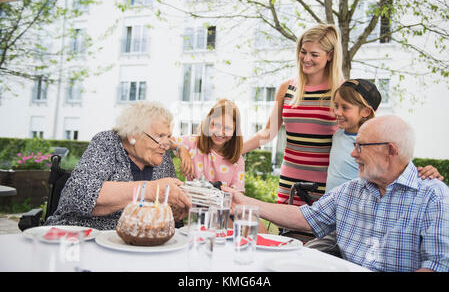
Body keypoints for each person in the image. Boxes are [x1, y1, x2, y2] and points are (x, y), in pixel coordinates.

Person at [223, 115, 449, 272]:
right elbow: (305, 218)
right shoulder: (352, 190)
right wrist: (243, 201)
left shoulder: (433, 197)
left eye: (360, 146)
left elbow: (437, 265)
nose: (353, 153)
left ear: (390, 150)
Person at [305, 79, 443, 255]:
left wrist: (428, 171)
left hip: (358, 220)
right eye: (336, 106)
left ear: (365, 111)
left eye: (344, 107)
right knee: (308, 253)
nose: (337, 112)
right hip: (335, 213)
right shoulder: (338, 134)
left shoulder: (375, 143)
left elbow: (400, 165)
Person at [45, 101, 192, 230]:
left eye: (168, 136)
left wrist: (175, 209)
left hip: (139, 242)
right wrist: (150, 190)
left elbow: (165, 211)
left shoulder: (162, 157)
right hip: (81, 235)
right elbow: (78, 195)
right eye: (160, 136)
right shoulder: (108, 143)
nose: (166, 144)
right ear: (133, 135)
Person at [242, 24, 344, 208]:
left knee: (316, 237)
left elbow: (360, 135)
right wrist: (233, 152)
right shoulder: (286, 88)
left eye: (314, 54)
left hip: (326, 186)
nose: (306, 59)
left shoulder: (341, 91)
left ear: (330, 56)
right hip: (289, 182)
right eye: (303, 52)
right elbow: (268, 132)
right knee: (286, 236)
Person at [173, 99, 245, 191]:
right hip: (191, 204)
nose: (219, 132)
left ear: (235, 131)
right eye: (215, 125)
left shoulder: (238, 161)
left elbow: (239, 196)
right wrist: (181, 148)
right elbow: (164, 140)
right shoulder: (193, 143)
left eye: (227, 128)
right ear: (208, 122)